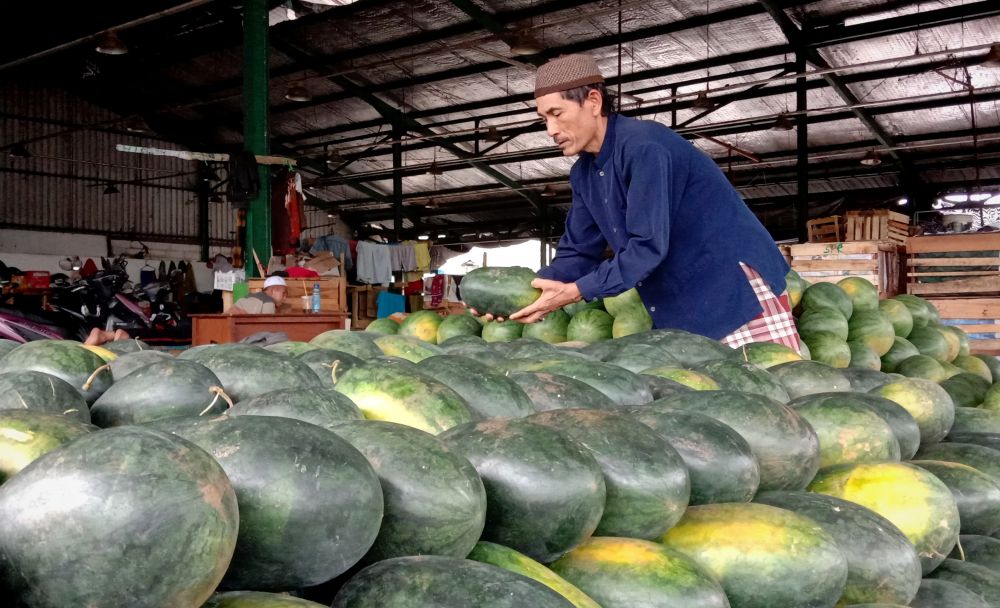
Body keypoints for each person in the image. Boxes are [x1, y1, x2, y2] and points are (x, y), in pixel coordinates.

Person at [506, 54, 799, 350]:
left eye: (557, 113)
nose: (551, 130)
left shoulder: (645, 147)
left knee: (766, 388)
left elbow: (646, 246)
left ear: (593, 101)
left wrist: (579, 290)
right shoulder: (584, 174)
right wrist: (522, 296)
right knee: (709, 393)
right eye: (544, 119)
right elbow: (578, 251)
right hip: (681, 304)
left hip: (732, 292)